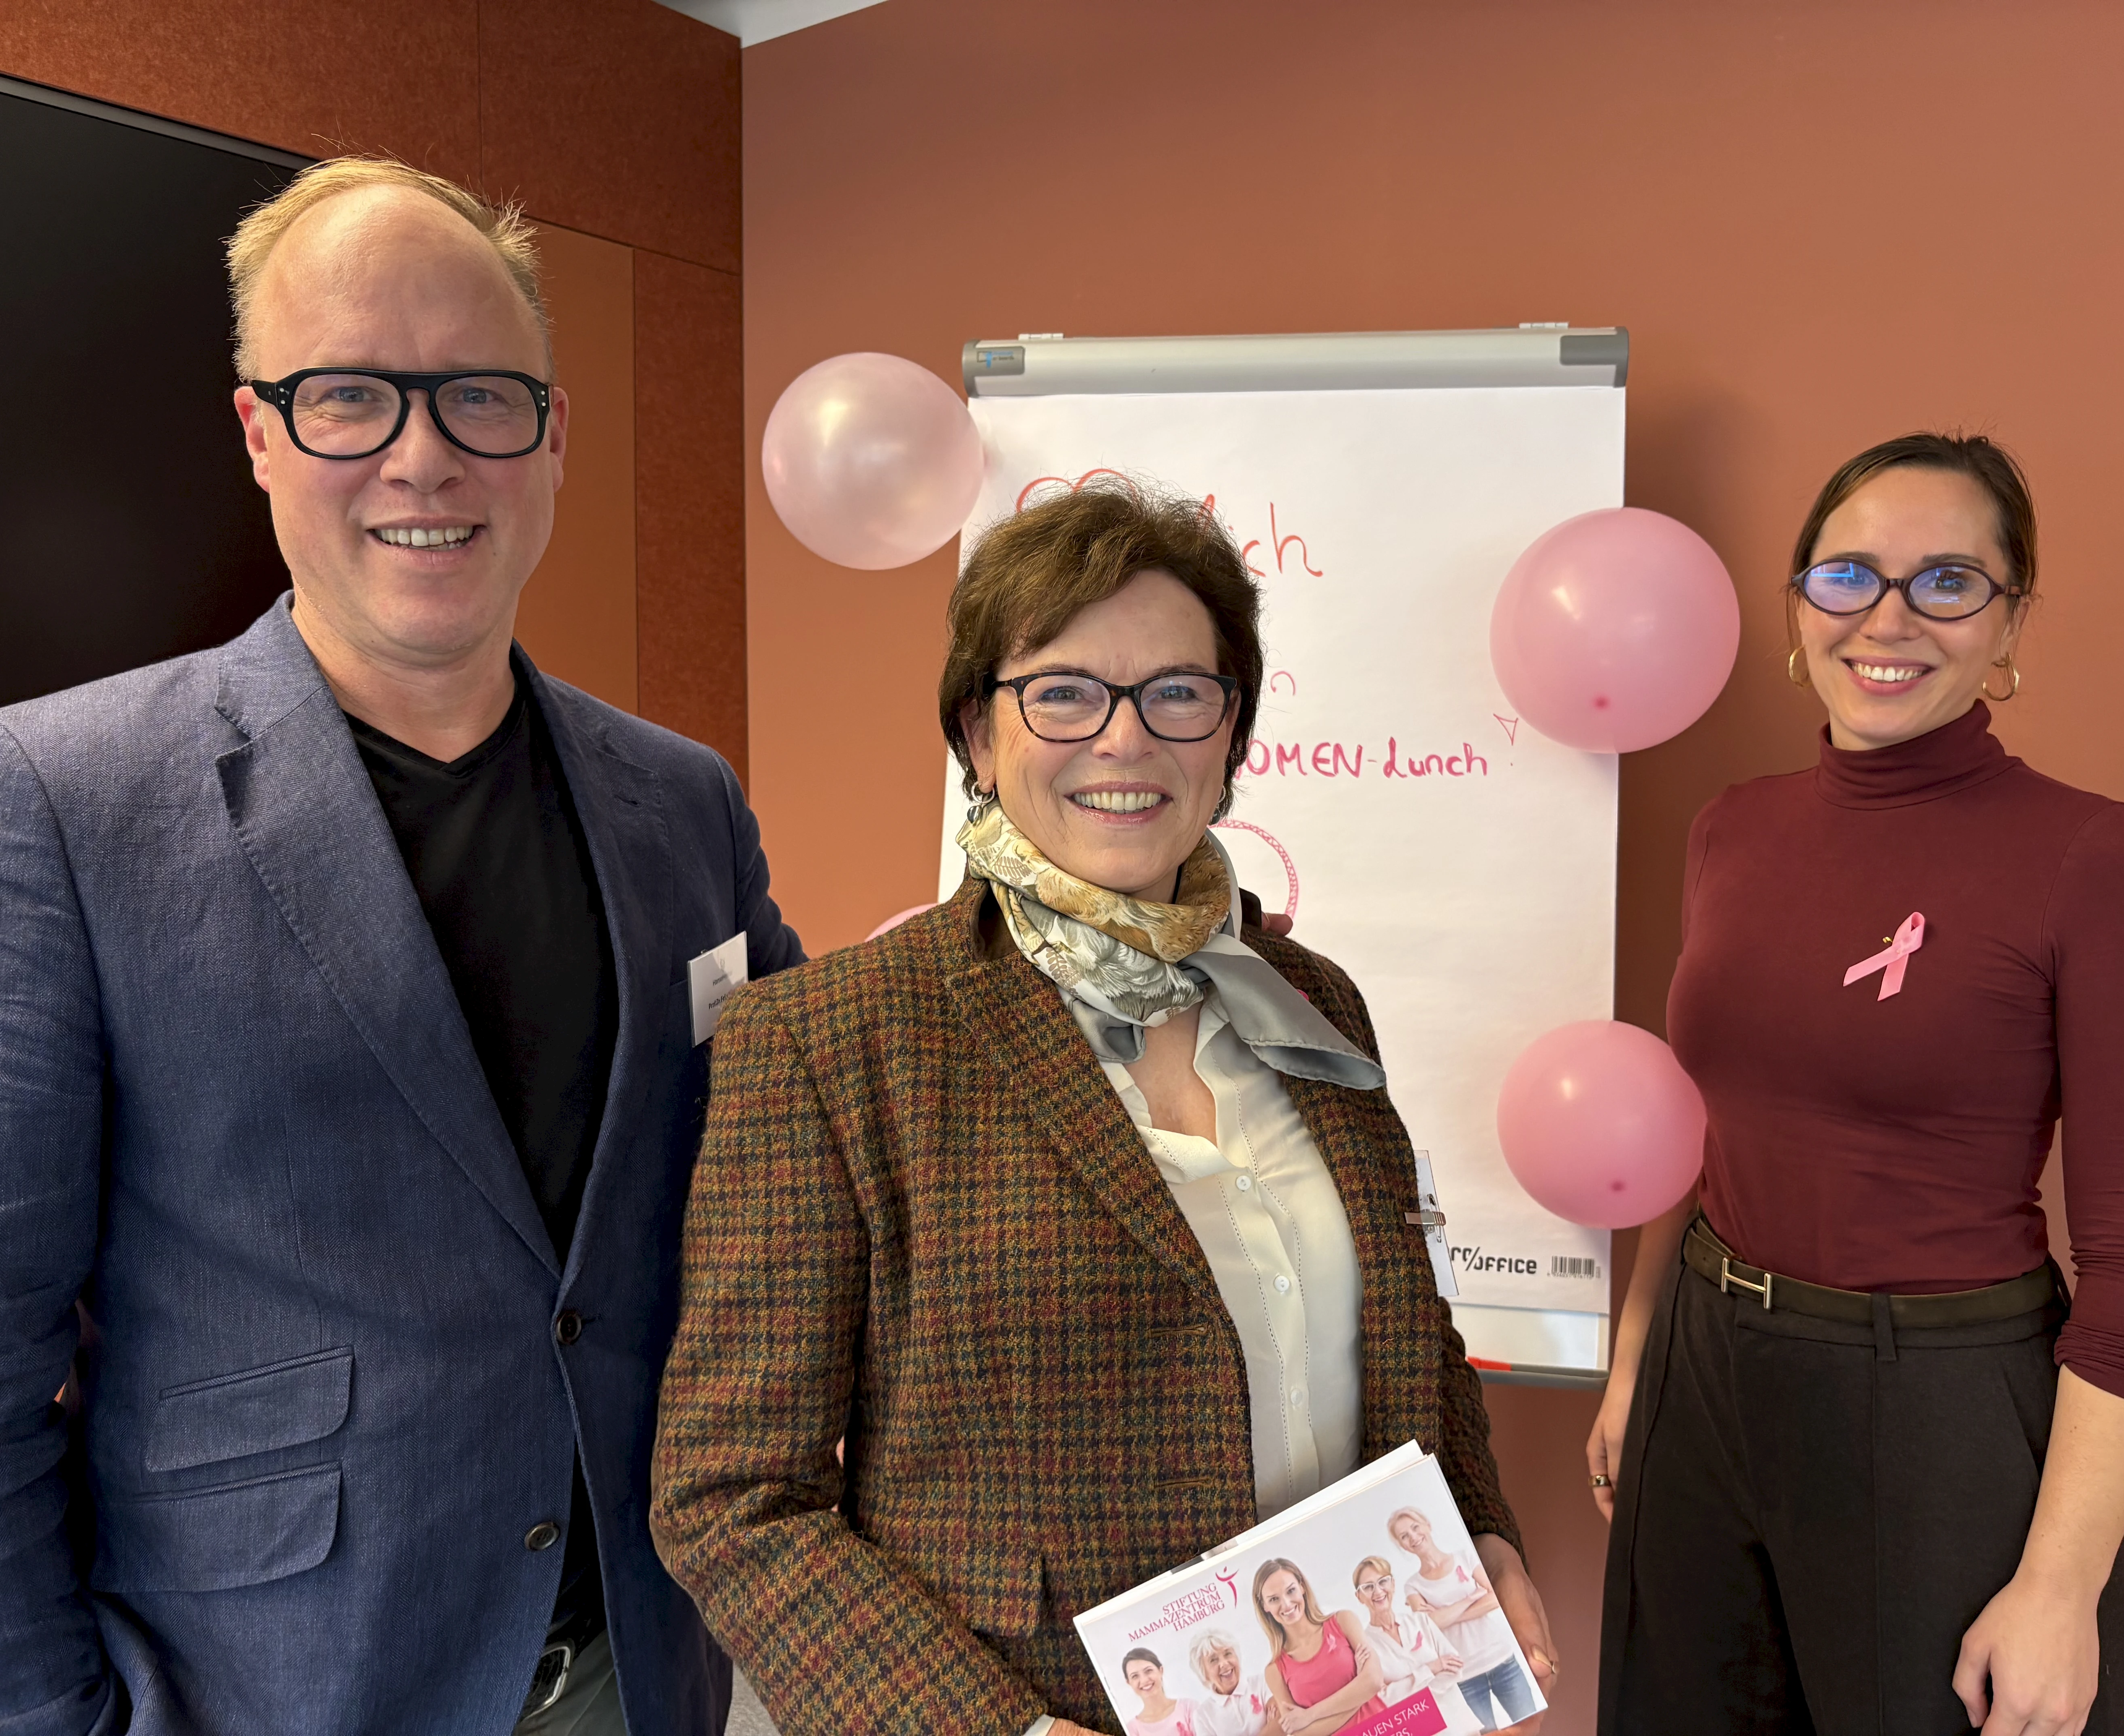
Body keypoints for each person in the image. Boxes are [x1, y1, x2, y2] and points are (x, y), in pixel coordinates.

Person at [0, 158, 799, 1735]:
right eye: (350, 396)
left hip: (650, 1670)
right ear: (262, 434)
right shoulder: (51, 803)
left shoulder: (686, 806)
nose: (424, 455)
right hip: (269, 1694)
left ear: (551, 439)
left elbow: (816, 1157)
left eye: (480, 395)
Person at [650, 479, 1557, 1736]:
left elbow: (1410, 1331)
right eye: (1062, 692)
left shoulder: (1312, 1006)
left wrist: (1482, 1531)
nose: (1124, 742)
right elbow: (733, 1500)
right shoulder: (829, 1044)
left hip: (1361, 1693)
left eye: (1176, 693)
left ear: (1228, 732)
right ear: (977, 732)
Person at [1588, 433, 2124, 1736]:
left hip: (1933, 1405)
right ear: (1793, 609)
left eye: (1944, 583)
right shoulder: (1732, 828)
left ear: (2007, 626)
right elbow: (1694, 1127)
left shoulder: (2090, 859)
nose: (1885, 618)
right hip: (1704, 1374)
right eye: (1846, 577)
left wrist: (2058, 1586)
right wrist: (1639, 1360)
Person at [1390, 1507, 1540, 1729]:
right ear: (1402, 1545)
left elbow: (1495, 1599)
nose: (1413, 1537)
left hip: (1504, 1662)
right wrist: (1470, 1599)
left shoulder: (1465, 1557)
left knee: (1531, 1728)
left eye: (1415, 1527)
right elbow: (1431, 1626)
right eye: (1404, 1536)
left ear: (1427, 1525)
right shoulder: (1413, 1585)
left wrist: (1445, 1615)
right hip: (1466, 1679)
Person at [1253, 1559, 1385, 1736]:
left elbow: (1375, 1681)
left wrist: (1309, 1716)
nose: (1286, 1604)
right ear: (1265, 1606)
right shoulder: (1275, 1670)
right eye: (1274, 1599)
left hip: (1387, 1730)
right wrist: (1360, 1692)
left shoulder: (1344, 1622)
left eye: (1291, 1591)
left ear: (1302, 1588)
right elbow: (1300, 1734)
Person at [1351, 1554, 1477, 1732]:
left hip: (1461, 1725)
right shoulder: (1365, 1646)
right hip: (1420, 1730)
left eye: (1383, 1582)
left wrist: (1406, 1693)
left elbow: (1456, 1668)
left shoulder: (1421, 1621)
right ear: (1359, 1596)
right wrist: (1432, 1668)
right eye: (1368, 1587)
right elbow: (1383, 1699)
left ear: (1393, 1584)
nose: (1378, 1591)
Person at [1187, 1629, 1271, 1736]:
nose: (1224, 1663)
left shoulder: (1261, 1682)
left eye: (1228, 1654)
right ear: (1204, 1674)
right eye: (1214, 1660)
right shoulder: (1203, 1715)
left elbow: (1281, 1722)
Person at [1121, 1649, 1200, 1736]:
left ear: (1161, 1671)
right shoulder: (1132, 1729)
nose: (1144, 1680)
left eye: (1148, 1671)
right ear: (1129, 1683)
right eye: (1135, 1676)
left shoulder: (1189, 1708)